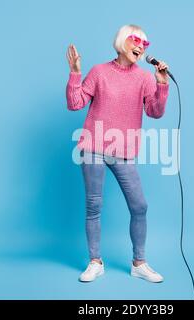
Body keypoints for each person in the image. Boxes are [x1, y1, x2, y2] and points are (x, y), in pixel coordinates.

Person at [65, 24, 170, 283]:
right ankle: (95, 262)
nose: (141, 47)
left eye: (145, 44)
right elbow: (74, 103)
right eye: (136, 41)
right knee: (94, 206)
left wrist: (162, 86)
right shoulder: (99, 72)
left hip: (123, 150)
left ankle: (139, 263)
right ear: (123, 41)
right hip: (93, 147)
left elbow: (155, 112)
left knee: (139, 206)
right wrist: (75, 73)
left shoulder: (145, 77)